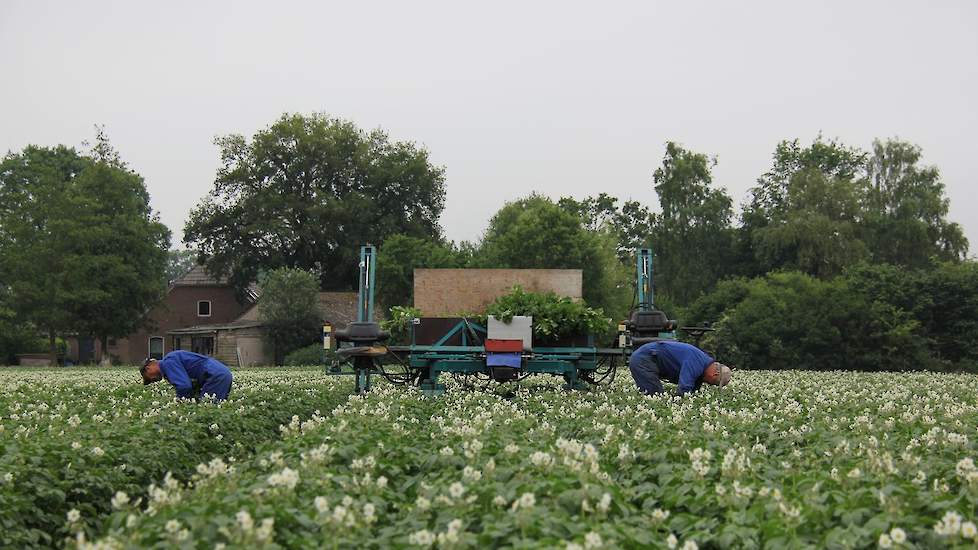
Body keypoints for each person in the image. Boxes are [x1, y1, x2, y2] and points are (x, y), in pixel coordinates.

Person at [628, 340, 731, 396]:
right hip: (643, 359)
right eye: (715, 383)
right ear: (714, 374)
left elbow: (693, 390)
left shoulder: (702, 368)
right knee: (654, 396)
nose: (711, 384)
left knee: (657, 396)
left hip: (648, 358)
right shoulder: (697, 363)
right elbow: (684, 390)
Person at [140, 350, 233, 402]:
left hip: (214, 375)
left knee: (208, 411)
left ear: (148, 368)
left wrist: (181, 403)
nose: (153, 380)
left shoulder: (167, 362)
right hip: (221, 372)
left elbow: (184, 386)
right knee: (215, 409)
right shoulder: (170, 361)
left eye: (149, 378)